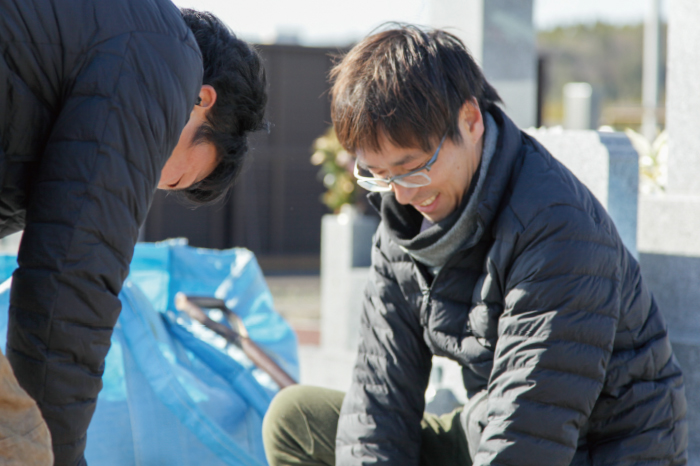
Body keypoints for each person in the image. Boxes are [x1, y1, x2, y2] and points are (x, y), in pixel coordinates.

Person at [262, 25, 688, 466]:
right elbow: (379, 400)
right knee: (296, 420)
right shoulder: (404, 224)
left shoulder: (558, 229)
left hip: (600, 450)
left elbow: (529, 432)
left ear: (470, 121)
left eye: (413, 167)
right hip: (490, 425)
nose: (402, 194)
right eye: (380, 175)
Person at [0, 1, 267, 464]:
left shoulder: (92, 34)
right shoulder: (159, 59)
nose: (152, 183)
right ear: (201, 100)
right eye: (176, 178)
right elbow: (70, 293)